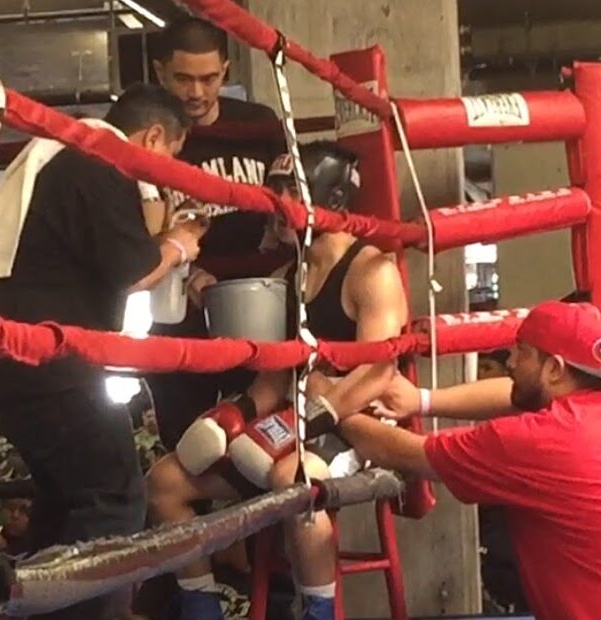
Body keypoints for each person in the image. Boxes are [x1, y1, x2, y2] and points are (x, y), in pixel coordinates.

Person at [146, 142, 408, 620]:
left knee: (295, 483)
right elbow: (273, 377)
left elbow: (378, 371)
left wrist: (316, 414)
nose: (280, 202)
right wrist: (231, 417)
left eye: (294, 190)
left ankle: (318, 612)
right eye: (277, 189)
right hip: (292, 423)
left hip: (356, 425)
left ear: (333, 199)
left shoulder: (372, 271)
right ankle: (202, 608)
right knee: (166, 480)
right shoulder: (287, 275)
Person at [0, 83, 204, 620]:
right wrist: (180, 245)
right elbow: (132, 271)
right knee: (114, 497)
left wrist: (156, 218)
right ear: (152, 136)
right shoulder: (96, 162)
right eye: (169, 159)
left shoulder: (62, 152)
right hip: (50, 362)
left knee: (67, 502)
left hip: (20, 357)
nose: (164, 173)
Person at [336, 300, 601, 620]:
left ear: (554, 368)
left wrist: (333, 404)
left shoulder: (543, 441)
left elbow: (404, 453)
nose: (509, 362)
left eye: (521, 353)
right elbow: (517, 396)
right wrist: (423, 401)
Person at [148, 16, 285, 452]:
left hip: (257, 306)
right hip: (179, 309)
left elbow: (293, 203)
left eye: (209, 78)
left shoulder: (258, 125)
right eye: (183, 78)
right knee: (184, 442)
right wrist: (182, 272)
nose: (196, 92)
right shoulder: (150, 137)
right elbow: (129, 223)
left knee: (258, 439)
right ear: (159, 72)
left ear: (226, 70)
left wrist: (279, 249)